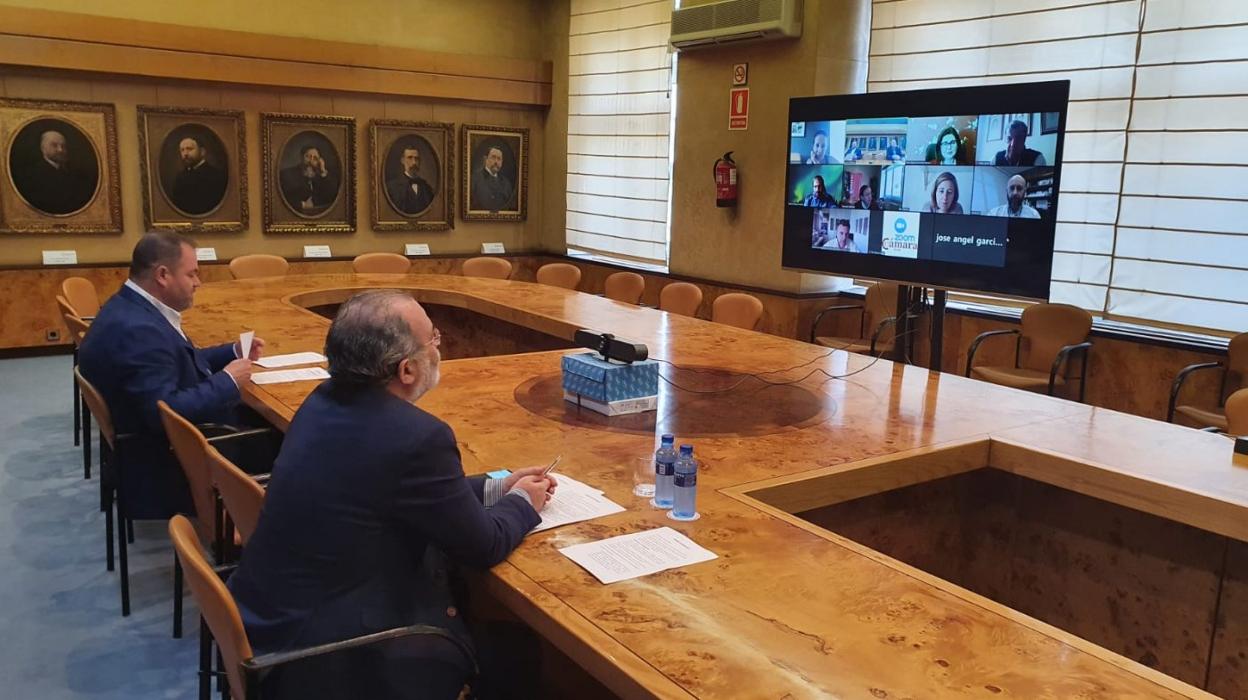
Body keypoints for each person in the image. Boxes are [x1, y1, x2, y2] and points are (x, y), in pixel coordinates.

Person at [228, 290, 555, 699]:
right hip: (329, 655)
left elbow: (395, 490)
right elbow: (483, 545)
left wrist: (498, 486)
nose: (438, 346)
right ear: (406, 370)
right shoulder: (419, 438)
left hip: (270, 624)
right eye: (432, 339)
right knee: (517, 651)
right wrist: (524, 503)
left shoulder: (322, 401)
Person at [78, 231, 264, 515]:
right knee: (292, 439)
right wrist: (227, 380)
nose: (198, 283)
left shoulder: (132, 308)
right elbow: (165, 411)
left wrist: (233, 352)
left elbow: (178, 360)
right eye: (192, 274)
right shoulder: (139, 331)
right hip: (165, 463)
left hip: (158, 442)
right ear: (163, 275)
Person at [16, 129, 96, 215]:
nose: (60, 150)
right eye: (54, 145)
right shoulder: (31, 174)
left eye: (63, 146)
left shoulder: (76, 173)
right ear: (43, 148)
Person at [169, 136, 228, 216]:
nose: (185, 153)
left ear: (202, 152)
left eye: (189, 149)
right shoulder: (180, 177)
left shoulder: (215, 175)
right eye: (182, 150)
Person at [279, 144, 339, 215]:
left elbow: (333, 195)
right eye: (308, 156)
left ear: (319, 161)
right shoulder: (287, 174)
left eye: (315, 158)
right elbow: (281, 198)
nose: (311, 161)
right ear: (301, 157)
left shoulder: (322, 176)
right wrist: (303, 205)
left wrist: (323, 171)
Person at [386, 145, 436, 215]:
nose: (414, 162)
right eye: (410, 158)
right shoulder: (392, 187)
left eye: (417, 159)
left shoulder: (426, 188)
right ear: (402, 160)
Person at [469, 145, 515, 211]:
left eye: (499, 159)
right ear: (485, 159)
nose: (496, 162)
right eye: (493, 157)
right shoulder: (474, 179)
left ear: (501, 162)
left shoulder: (506, 184)